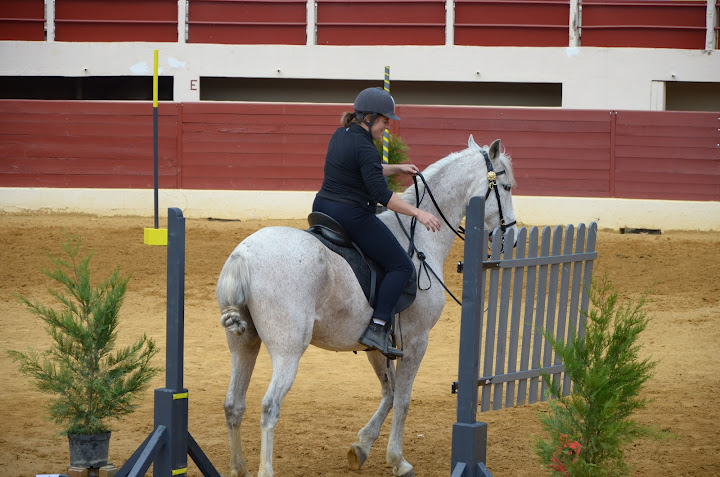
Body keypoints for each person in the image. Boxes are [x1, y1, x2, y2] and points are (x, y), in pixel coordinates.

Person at [312, 87, 441, 358]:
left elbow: (363, 167)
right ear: (369, 118)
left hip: (322, 208)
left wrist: (397, 168)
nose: (387, 127)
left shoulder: (341, 134)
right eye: (384, 121)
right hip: (351, 215)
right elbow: (383, 196)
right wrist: (418, 213)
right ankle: (379, 326)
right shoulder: (366, 146)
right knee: (400, 266)